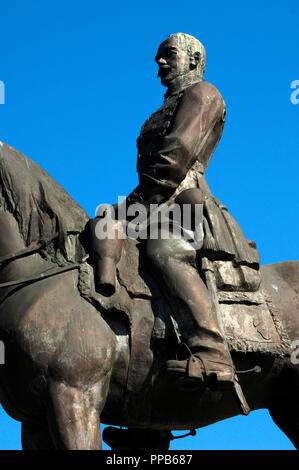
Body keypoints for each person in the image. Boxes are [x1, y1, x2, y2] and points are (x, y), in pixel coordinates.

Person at [90, 33, 256, 390]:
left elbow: (175, 155)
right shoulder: (159, 111)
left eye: (169, 55)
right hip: (151, 204)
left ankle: (213, 352)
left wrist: (133, 205)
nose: (160, 64)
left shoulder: (203, 94)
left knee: (165, 250)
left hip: (185, 204)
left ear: (194, 60)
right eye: (158, 58)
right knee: (100, 225)